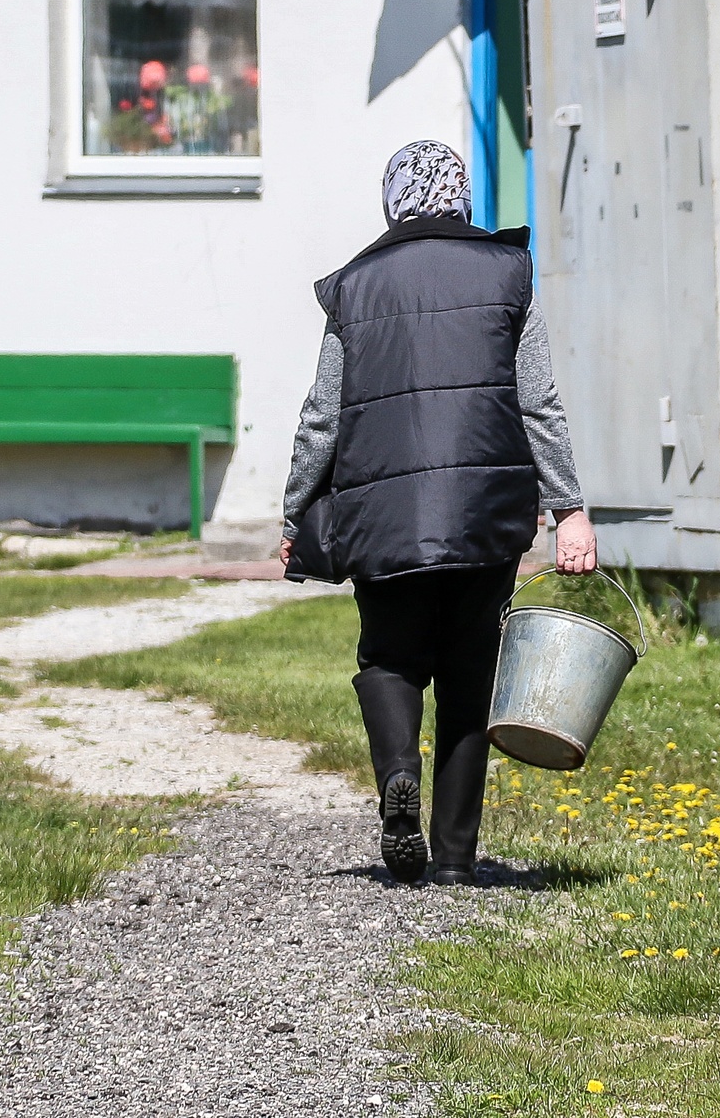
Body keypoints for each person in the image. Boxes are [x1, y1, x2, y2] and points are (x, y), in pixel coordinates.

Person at [280, 140, 596, 886]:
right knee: (469, 675)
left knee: (388, 658)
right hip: (486, 514)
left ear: (392, 198)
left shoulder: (354, 286)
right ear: (460, 195)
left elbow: (322, 415)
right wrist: (570, 507)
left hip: (379, 512)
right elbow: (538, 400)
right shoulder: (506, 271)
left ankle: (398, 775)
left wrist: (296, 512)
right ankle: (455, 858)